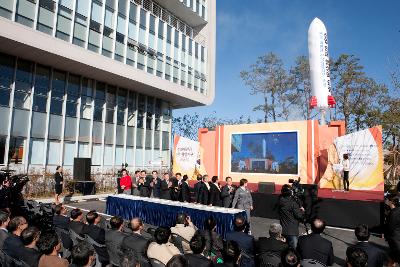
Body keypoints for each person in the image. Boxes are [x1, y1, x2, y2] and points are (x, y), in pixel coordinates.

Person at [278, 184, 304, 249]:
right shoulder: (293, 203)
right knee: (293, 251)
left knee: (284, 249)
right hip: (292, 231)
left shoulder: (280, 200)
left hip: (283, 230)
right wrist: (302, 211)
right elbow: (299, 216)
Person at [385, 195, 400, 264]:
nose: (386, 201)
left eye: (388, 200)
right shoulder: (397, 210)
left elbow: (390, 228)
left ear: (392, 202)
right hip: (397, 238)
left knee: (392, 259)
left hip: (395, 240)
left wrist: (387, 236)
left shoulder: (393, 213)